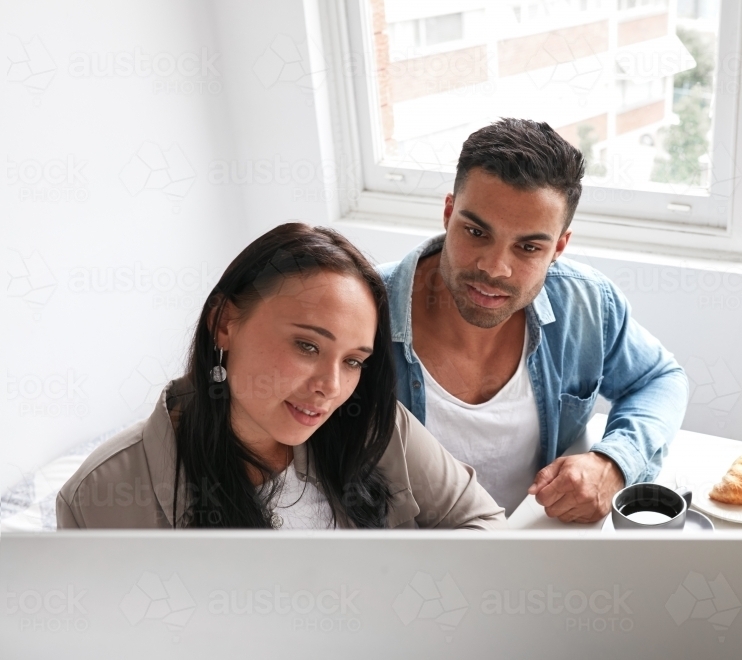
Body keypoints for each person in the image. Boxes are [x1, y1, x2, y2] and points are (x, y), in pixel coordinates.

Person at [57, 223, 505, 530]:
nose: (330, 387)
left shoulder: (377, 428)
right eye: (307, 346)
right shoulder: (100, 493)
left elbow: (483, 522)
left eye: (353, 361)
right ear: (225, 324)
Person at [378, 118, 689, 522]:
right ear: (448, 212)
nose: (495, 268)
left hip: (540, 556)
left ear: (559, 246)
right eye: (476, 232)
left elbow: (659, 379)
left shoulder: (587, 303)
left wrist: (613, 463)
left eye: (527, 247)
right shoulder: (364, 311)